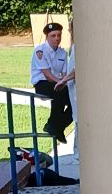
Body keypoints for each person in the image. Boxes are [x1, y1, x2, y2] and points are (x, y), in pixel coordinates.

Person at [30, 22, 72, 143]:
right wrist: (62, 82)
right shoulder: (40, 51)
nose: (57, 38)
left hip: (58, 83)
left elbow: (65, 74)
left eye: (59, 35)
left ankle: (57, 127)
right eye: (53, 35)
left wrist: (64, 82)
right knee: (60, 91)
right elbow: (47, 75)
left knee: (75, 102)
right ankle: (53, 126)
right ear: (47, 37)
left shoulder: (62, 53)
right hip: (42, 84)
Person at [55, 19, 78, 148]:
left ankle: (78, 152)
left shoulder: (78, 45)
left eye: (71, 29)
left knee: (77, 118)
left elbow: (77, 69)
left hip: (74, 86)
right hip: (71, 85)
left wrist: (64, 80)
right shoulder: (73, 45)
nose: (69, 31)